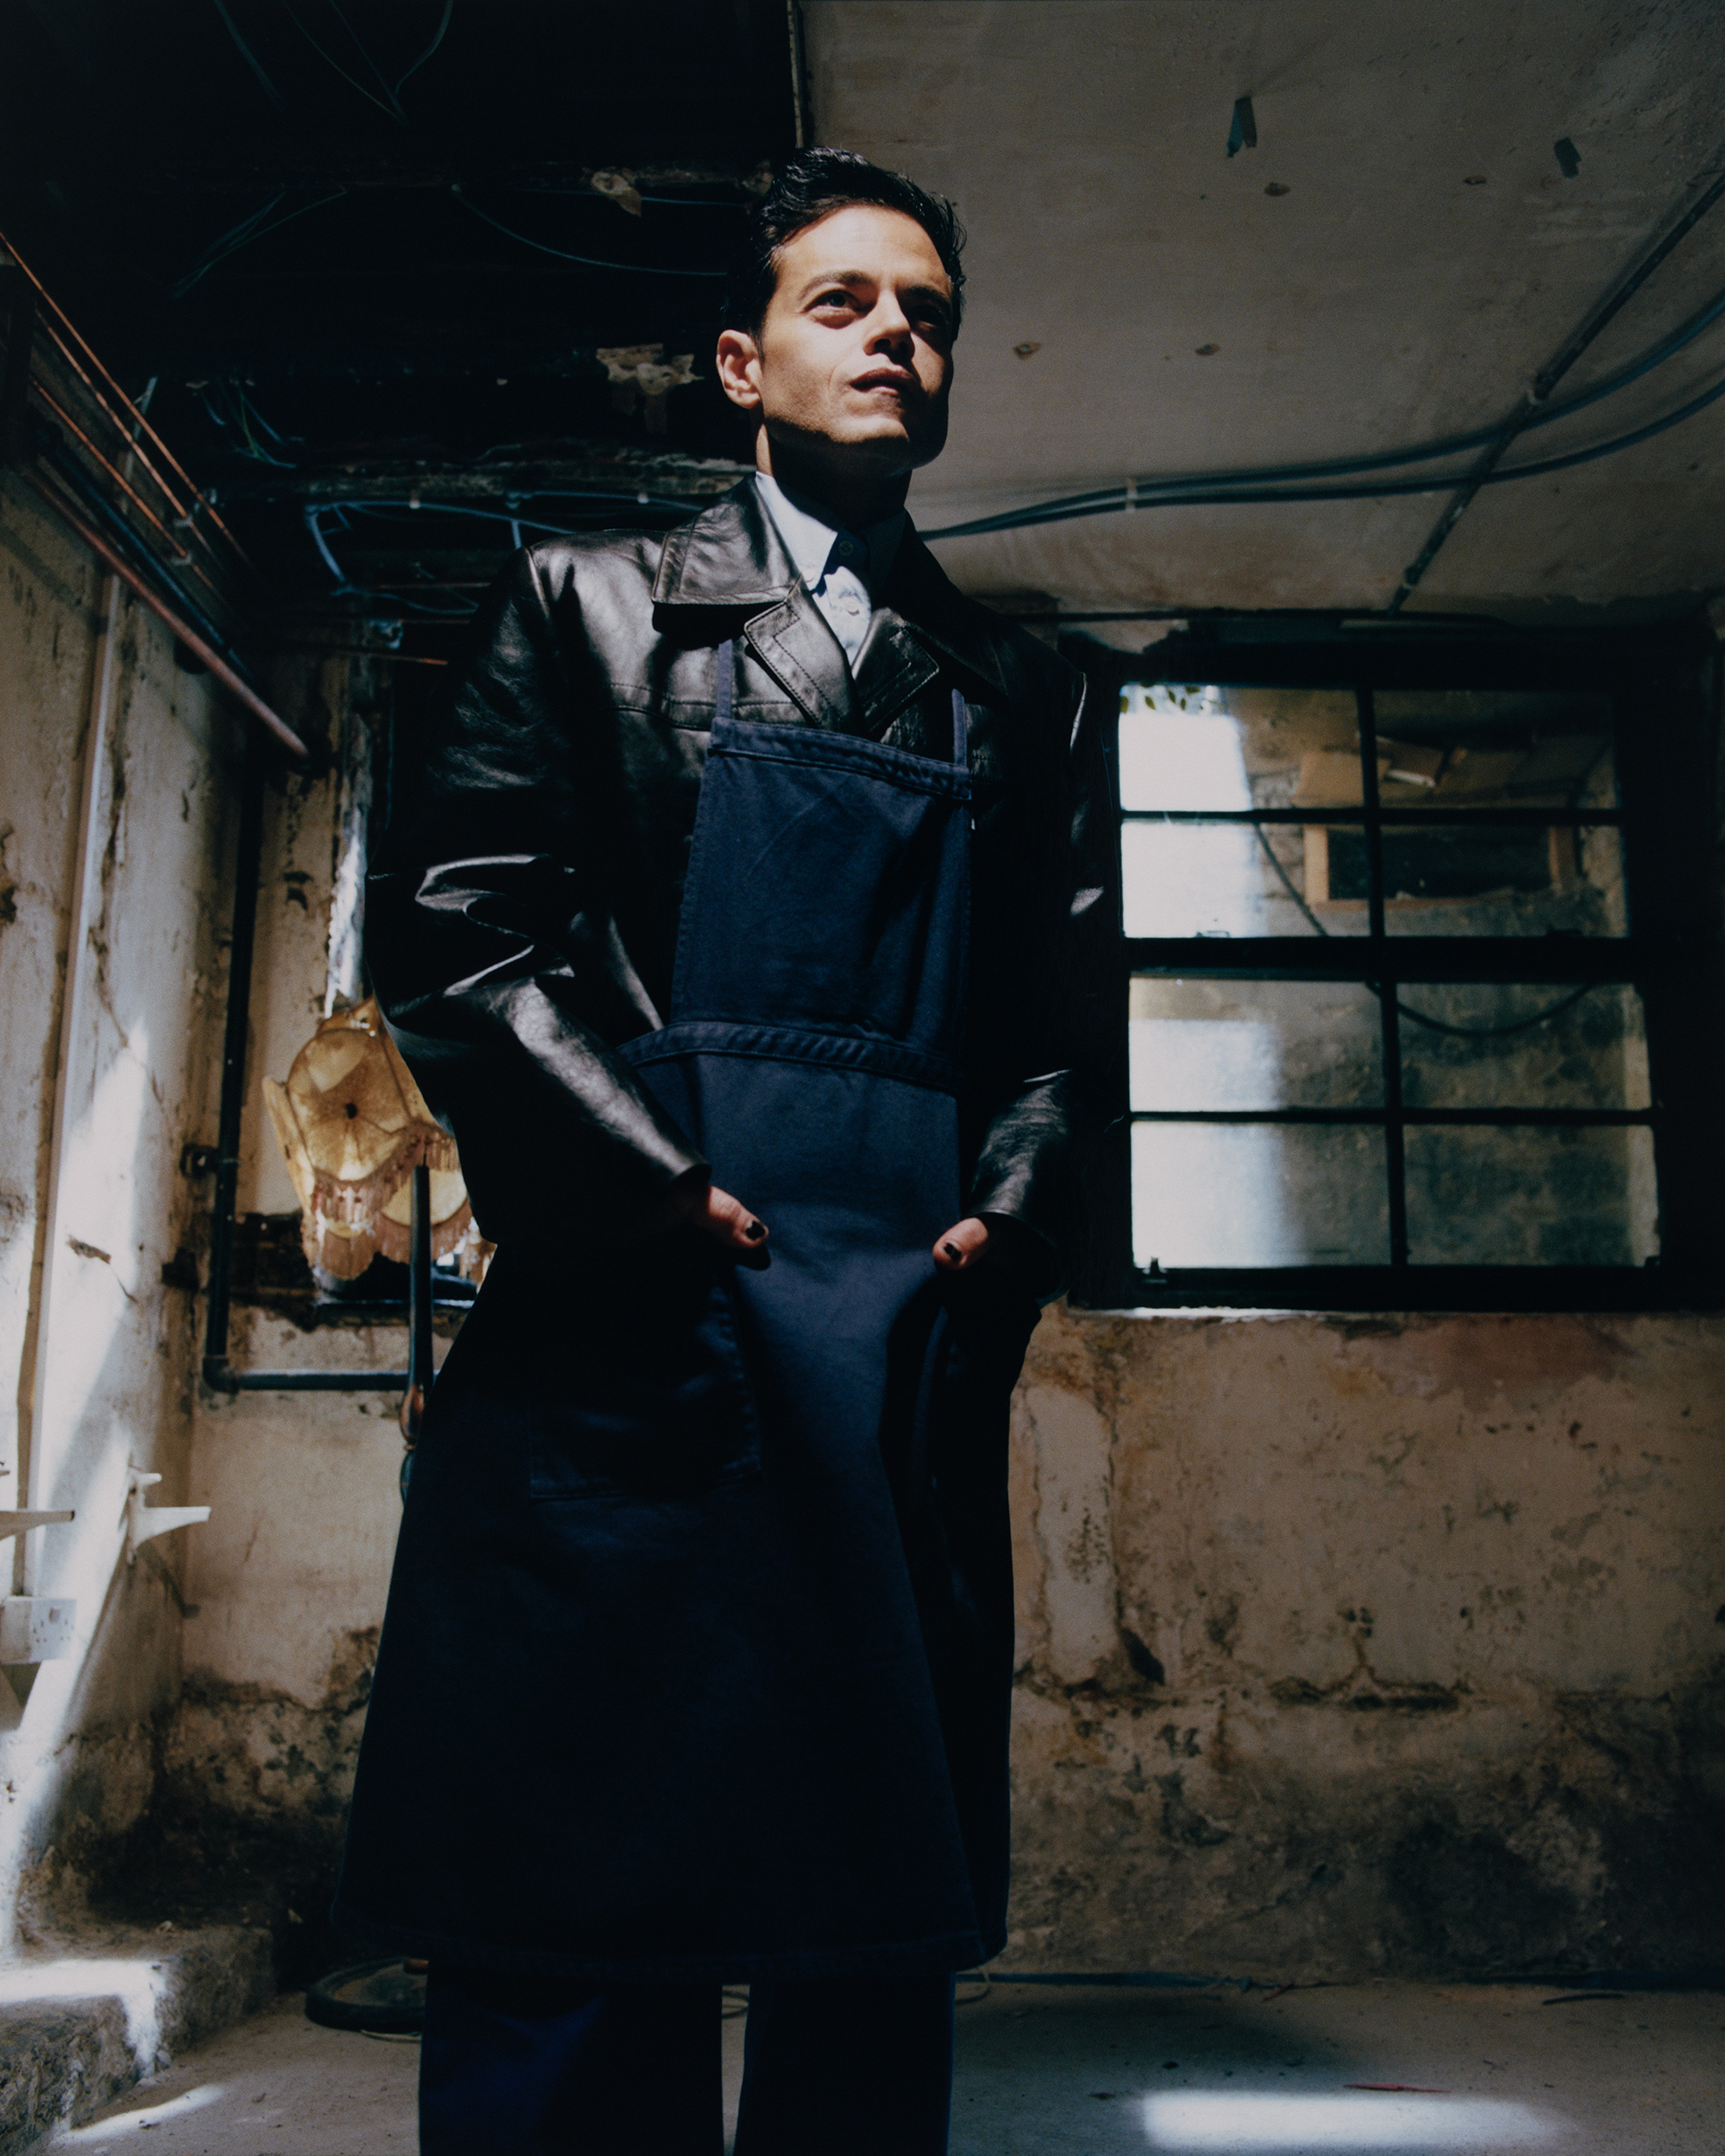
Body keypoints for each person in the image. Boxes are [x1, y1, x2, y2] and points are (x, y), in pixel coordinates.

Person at [334, 147, 1117, 2154]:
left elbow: (1056, 1036)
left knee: (861, 1908)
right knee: (583, 1874)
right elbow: (459, 940)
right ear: (741, 364)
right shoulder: (580, 606)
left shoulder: (1022, 690)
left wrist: (1008, 1220)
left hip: (890, 1338)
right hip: (634, 1317)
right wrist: (651, 1191)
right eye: (844, 300)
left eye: (927, 313)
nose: (896, 336)